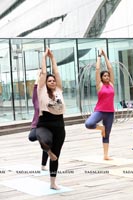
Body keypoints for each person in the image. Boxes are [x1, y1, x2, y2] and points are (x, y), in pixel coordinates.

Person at [36, 48, 66, 190]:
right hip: (45, 124)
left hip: (59, 125)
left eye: (54, 80)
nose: (53, 82)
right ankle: (48, 152)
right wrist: (44, 57)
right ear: (45, 83)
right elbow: (43, 73)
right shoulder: (41, 90)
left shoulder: (58, 90)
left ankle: (53, 183)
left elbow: (57, 72)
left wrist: (53, 59)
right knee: (45, 141)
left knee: (57, 155)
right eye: (50, 80)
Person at [85, 49, 115, 160]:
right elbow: (97, 70)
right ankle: (101, 128)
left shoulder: (111, 84)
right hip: (100, 111)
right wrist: (99, 56)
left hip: (110, 112)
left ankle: (105, 155)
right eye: (105, 76)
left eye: (108, 76)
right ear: (101, 78)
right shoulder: (100, 86)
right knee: (89, 123)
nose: (107, 77)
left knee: (107, 134)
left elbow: (110, 68)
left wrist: (105, 55)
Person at [28, 68, 48, 171]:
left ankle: (43, 165)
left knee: (46, 142)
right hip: (36, 124)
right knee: (31, 137)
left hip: (47, 125)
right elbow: (36, 87)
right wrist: (38, 75)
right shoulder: (36, 99)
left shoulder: (49, 97)